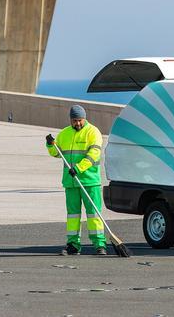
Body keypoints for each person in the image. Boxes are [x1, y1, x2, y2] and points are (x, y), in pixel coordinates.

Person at [45, 105, 106, 256]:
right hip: (70, 182)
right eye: (74, 121)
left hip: (90, 181)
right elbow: (56, 153)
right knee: (73, 215)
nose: (77, 123)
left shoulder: (93, 132)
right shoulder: (64, 134)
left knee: (93, 214)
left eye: (79, 120)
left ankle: (99, 244)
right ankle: (73, 244)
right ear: (70, 120)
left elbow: (94, 154)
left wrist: (78, 168)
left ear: (85, 119)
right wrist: (49, 144)